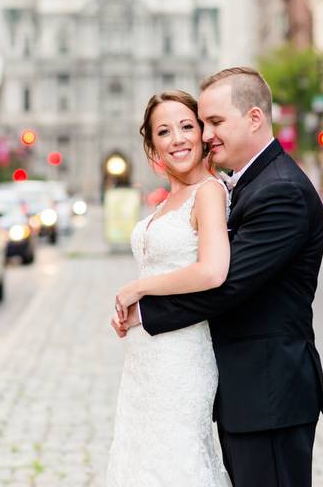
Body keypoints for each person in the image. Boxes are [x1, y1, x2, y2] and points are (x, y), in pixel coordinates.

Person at [112, 67, 323, 487]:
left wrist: (144, 306)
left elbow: (226, 283)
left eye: (214, 122)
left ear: (253, 118)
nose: (206, 135)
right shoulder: (245, 184)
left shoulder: (280, 190)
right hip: (241, 391)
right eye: (203, 123)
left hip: (269, 393)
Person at [106, 89, 232, 486]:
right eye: (164, 131)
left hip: (183, 355)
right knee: (141, 459)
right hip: (145, 358)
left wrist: (139, 289)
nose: (177, 138)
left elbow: (212, 271)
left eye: (185, 127)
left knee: (176, 461)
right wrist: (133, 309)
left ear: (201, 134)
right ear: (153, 146)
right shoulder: (166, 201)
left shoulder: (209, 192)